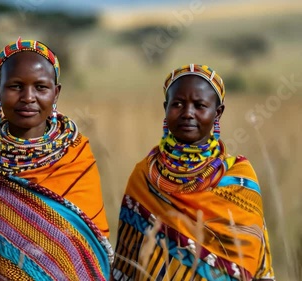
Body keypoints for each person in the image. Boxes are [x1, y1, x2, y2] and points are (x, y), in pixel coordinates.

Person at [0, 37, 113, 280]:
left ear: (56, 92)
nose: (28, 97)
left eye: (40, 87)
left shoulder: (76, 158)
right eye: (15, 86)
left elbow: (91, 252)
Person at [111, 64, 275, 281]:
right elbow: (128, 262)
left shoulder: (238, 178)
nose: (188, 113)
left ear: (218, 113)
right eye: (177, 104)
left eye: (200, 105)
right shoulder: (145, 174)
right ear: (166, 108)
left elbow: (251, 260)